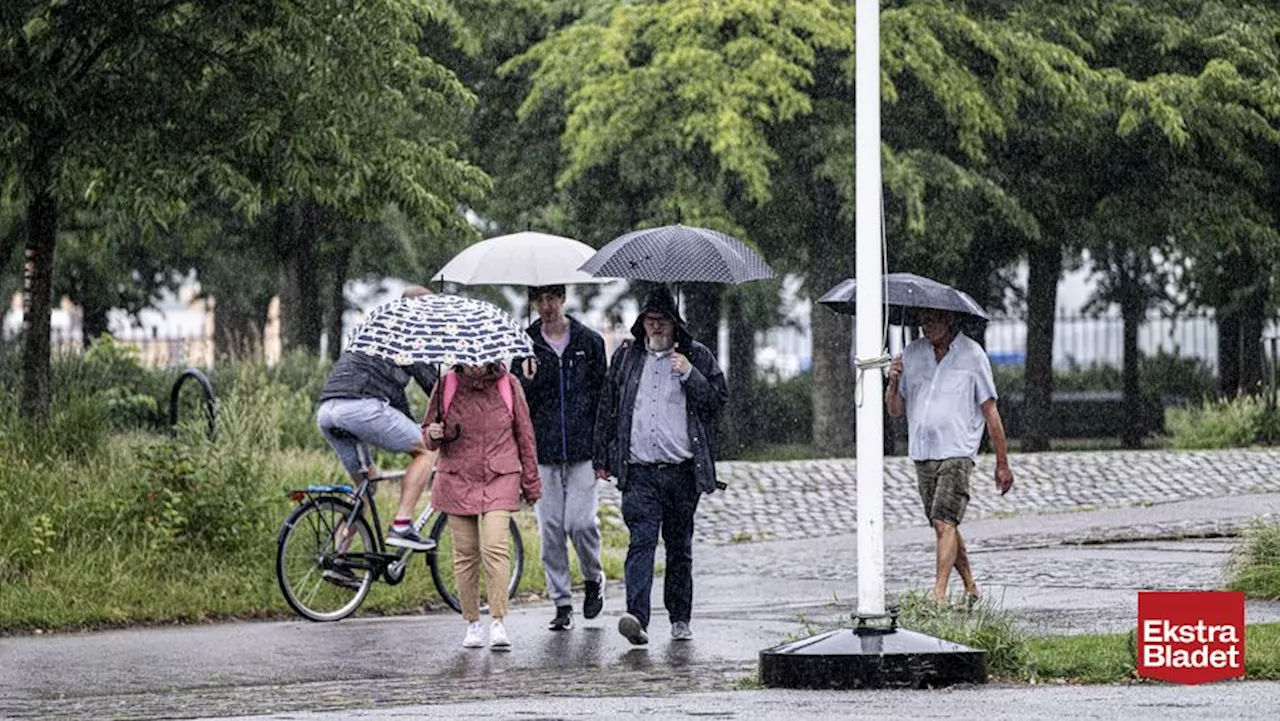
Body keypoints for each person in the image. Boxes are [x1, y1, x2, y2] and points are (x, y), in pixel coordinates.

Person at [593, 287, 728, 645]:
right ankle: (637, 617)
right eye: (650, 321)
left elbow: (717, 402)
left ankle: (680, 617)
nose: (655, 328)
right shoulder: (627, 357)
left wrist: (690, 374)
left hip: (682, 471)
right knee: (641, 542)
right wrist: (601, 457)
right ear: (642, 324)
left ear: (674, 324)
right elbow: (608, 405)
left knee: (679, 547)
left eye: (662, 321)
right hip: (638, 471)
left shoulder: (696, 355)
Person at [886, 308, 1015, 604]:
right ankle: (970, 585)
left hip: (957, 450)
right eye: (922, 321)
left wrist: (1002, 463)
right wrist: (892, 381)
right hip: (922, 452)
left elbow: (990, 410)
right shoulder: (911, 354)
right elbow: (895, 410)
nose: (925, 326)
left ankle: (939, 594)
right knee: (943, 523)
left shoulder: (972, 355)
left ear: (948, 320)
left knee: (944, 521)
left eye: (931, 320)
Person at [425, 361, 542, 651]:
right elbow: (427, 432)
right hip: (457, 476)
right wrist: (433, 433)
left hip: (499, 475)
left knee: (495, 547)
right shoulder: (447, 384)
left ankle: (498, 622)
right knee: (465, 553)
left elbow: (525, 436)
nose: (476, 364)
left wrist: (531, 483)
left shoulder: (508, 384)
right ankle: (473, 623)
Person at [316, 285, 439, 552]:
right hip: (361, 407)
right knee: (426, 450)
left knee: (367, 486)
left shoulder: (375, 326)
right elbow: (433, 385)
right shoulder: (411, 333)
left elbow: (394, 392)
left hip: (328, 409)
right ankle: (403, 525)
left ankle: (336, 556)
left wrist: (412, 422)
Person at [518, 285, 608, 632]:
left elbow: (604, 397)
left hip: (583, 449)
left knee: (581, 523)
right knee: (551, 529)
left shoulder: (589, 341)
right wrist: (526, 380)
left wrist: (604, 447)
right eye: (540, 299)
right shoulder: (524, 343)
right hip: (544, 450)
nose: (546, 305)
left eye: (552, 297)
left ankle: (593, 577)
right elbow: (515, 401)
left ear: (563, 298)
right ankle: (562, 602)